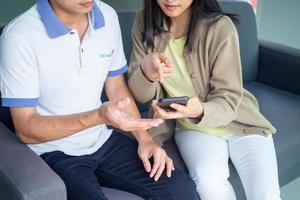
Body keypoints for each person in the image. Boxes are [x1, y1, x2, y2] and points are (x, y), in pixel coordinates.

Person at [0, 0, 198, 199]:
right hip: (51, 152)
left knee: (181, 189)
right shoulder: (19, 36)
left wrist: (145, 139)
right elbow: (26, 129)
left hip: (101, 140)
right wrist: (98, 116)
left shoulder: (106, 15)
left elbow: (116, 86)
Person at [128, 0, 281, 199]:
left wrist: (200, 110)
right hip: (192, 128)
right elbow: (140, 95)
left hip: (242, 121)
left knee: (266, 195)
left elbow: (228, 98)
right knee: (209, 186)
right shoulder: (144, 22)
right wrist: (145, 72)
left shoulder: (220, 27)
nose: (171, 0)